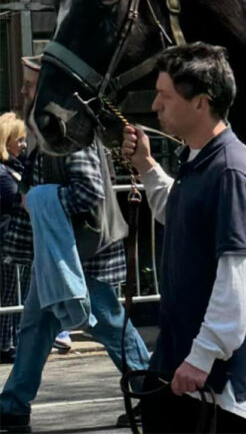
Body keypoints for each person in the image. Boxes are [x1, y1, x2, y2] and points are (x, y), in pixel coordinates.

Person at [121, 42, 246, 434]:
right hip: (184, 370)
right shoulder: (199, 159)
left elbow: (235, 279)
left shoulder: (231, 171)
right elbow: (179, 212)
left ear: (201, 102)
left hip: (214, 386)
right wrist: (146, 167)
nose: (155, 106)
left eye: (165, 96)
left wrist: (202, 357)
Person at [0, 56, 150, 434]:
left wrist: (37, 199)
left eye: (31, 85)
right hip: (62, 251)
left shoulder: (69, 133)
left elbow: (89, 192)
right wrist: (30, 194)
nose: (24, 91)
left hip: (81, 253)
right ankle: (13, 406)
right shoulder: (52, 131)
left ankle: (148, 393)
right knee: (36, 326)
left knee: (108, 323)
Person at [0, 112, 28, 363]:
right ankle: (5, 343)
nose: (23, 144)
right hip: (6, 241)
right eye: (18, 139)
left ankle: (14, 340)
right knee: (8, 294)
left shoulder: (16, 168)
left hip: (16, 241)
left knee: (16, 292)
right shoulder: (2, 173)